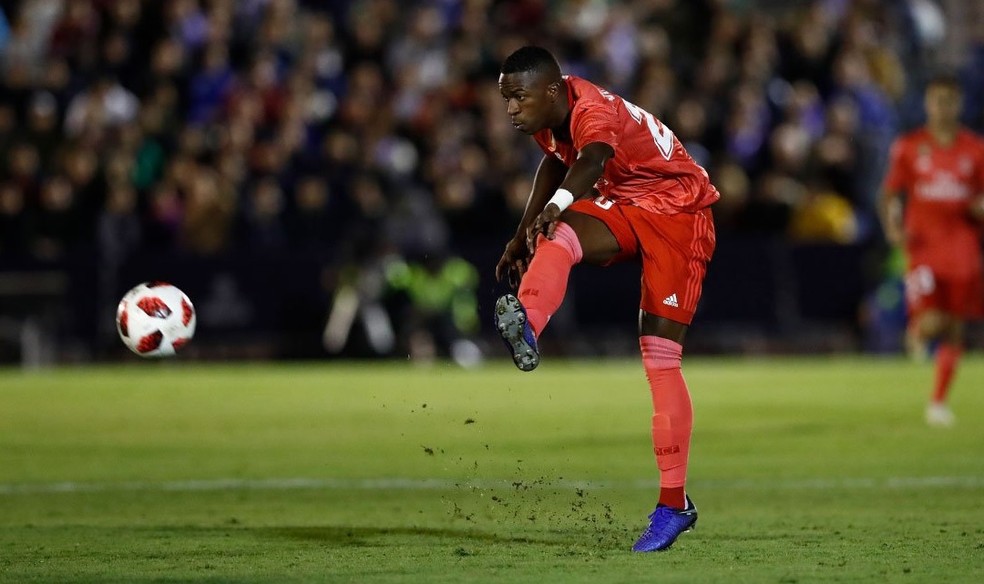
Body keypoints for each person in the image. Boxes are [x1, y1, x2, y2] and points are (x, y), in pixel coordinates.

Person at [492, 46, 719, 551]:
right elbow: (556, 164)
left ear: (550, 91)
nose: (510, 108)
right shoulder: (552, 113)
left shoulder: (591, 108)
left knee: (660, 359)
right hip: (629, 202)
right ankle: (527, 321)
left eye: (518, 98)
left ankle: (674, 505)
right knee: (557, 234)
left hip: (680, 212)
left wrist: (553, 207)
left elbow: (593, 157)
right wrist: (522, 231)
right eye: (506, 98)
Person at [878, 73, 984, 427]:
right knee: (932, 321)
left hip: (963, 251)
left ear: (958, 104)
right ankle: (917, 330)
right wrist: (893, 226)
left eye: (949, 101)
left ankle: (938, 402)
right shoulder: (909, 147)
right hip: (923, 248)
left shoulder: (975, 150)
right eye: (936, 100)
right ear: (927, 104)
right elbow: (891, 193)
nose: (942, 108)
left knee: (955, 328)